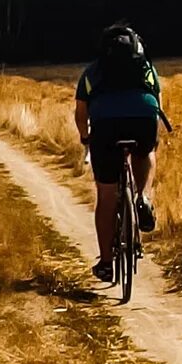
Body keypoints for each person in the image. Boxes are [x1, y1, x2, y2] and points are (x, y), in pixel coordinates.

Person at [73, 23, 162, 283]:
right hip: (143, 119)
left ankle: (106, 263)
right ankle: (143, 197)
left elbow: (81, 115)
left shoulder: (92, 72)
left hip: (106, 128)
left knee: (107, 194)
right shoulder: (145, 67)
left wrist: (86, 138)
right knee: (146, 152)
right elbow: (157, 104)